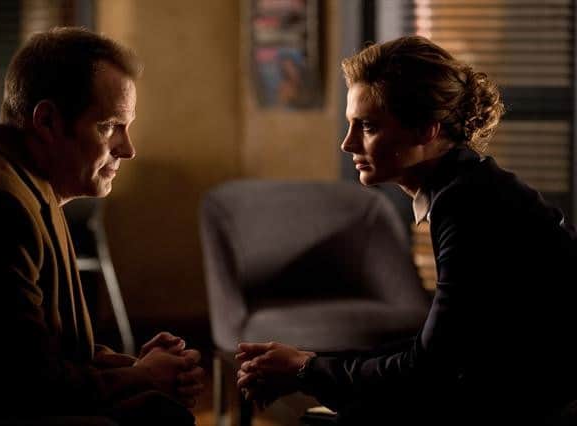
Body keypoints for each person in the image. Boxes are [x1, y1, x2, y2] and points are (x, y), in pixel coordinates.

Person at [236, 36, 577, 425]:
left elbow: (429, 368)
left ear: (425, 131)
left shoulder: (466, 205)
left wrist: (306, 371)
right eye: (350, 124)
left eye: (367, 126)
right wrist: (310, 364)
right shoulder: (471, 186)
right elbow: (438, 349)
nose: (347, 144)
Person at [0, 27, 204, 425]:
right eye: (109, 126)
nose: (128, 149)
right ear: (47, 121)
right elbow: (27, 387)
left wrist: (139, 366)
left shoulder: (27, 182)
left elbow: (49, 349)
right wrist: (144, 377)